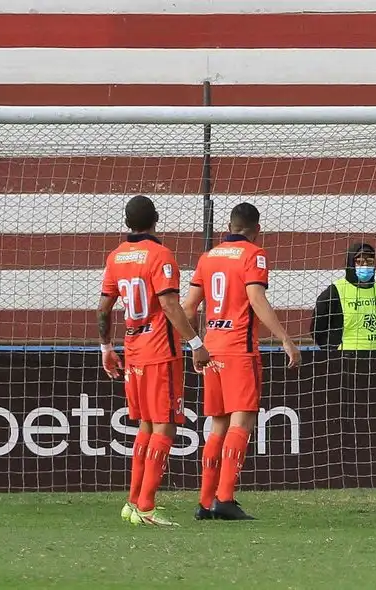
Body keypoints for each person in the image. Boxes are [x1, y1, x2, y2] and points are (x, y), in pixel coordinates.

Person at [182, 202, 301, 521]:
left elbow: (189, 307)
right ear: (255, 229)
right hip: (238, 349)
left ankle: (206, 503)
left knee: (218, 424)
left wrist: (195, 344)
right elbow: (256, 298)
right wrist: (285, 338)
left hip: (212, 348)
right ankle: (225, 498)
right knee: (242, 420)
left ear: (230, 226)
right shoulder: (254, 254)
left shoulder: (208, 257)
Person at [98, 194, 211, 527]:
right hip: (160, 350)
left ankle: (133, 502)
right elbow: (170, 305)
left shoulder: (116, 257)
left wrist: (105, 348)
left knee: (146, 425)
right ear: (155, 220)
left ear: (127, 223)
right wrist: (195, 343)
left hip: (132, 349)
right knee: (164, 424)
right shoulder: (160, 255)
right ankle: (146, 506)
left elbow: (103, 309)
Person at [310, 243, 376, 350]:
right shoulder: (335, 291)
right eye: (360, 262)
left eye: (370, 262)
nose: (365, 266)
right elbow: (317, 329)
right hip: (343, 359)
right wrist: (333, 350)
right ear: (351, 263)